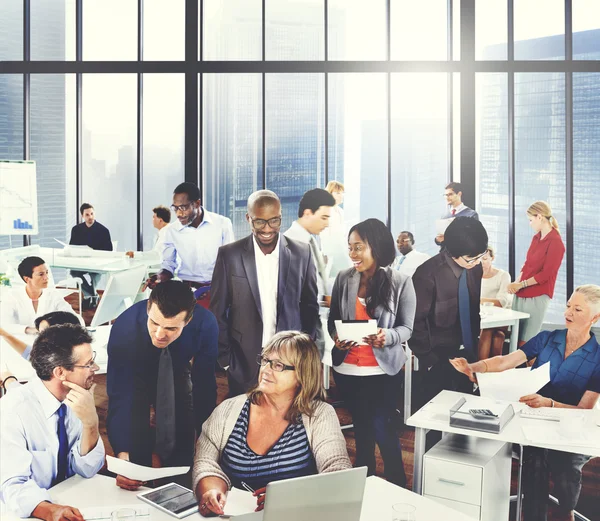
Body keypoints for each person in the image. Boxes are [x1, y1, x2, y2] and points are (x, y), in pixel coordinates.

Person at [450, 284, 600, 521]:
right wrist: (473, 368)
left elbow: (584, 410)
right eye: (568, 305)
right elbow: (504, 361)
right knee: (534, 460)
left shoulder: (598, 357)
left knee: (566, 462)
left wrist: (550, 403)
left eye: (578, 309)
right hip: (534, 419)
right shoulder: (547, 338)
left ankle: (565, 510)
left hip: (571, 427)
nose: (568, 313)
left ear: (595, 317)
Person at [192, 331, 351, 517]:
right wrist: (212, 491)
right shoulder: (228, 409)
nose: (266, 369)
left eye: (278, 365)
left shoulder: (319, 415)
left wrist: (291, 497)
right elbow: (205, 461)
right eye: (265, 360)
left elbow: (338, 471)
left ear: (301, 375)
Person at [328, 218, 416, 487]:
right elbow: (333, 320)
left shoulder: (401, 281)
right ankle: (363, 486)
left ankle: (397, 486)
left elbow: (407, 328)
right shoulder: (344, 278)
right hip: (348, 369)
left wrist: (386, 336)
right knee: (362, 430)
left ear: (375, 248)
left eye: (358, 247)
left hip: (383, 369)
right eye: (350, 247)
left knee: (383, 428)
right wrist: (337, 338)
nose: (352, 254)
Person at [107, 280, 218, 490]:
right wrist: (123, 453)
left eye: (171, 328)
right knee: (134, 446)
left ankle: (178, 486)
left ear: (188, 320)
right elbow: (120, 395)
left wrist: (206, 437)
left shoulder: (205, 324)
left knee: (184, 434)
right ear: (149, 307)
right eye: (154, 323)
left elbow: (204, 383)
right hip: (137, 370)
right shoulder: (124, 328)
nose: (159, 334)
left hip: (176, 368)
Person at [210, 190, 319, 397]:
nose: (267, 229)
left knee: (288, 421)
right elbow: (218, 311)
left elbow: (309, 305)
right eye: (259, 222)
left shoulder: (301, 252)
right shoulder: (229, 255)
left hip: (290, 361)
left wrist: (304, 351)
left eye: (274, 221)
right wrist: (226, 360)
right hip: (243, 361)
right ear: (248, 218)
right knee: (245, 422)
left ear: (281, 217)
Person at [0, 324, 104, 520]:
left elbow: (87, 469)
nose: (95, 368)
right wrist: (51, 511)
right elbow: (11, 485)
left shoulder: (76, 402)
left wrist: (91, 424)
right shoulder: (12, 412)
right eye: (88, 364)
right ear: (60, 372)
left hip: (70, 501)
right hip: (26, 514)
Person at [411, 217, 488, 417]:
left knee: (464, 415)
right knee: (438, 419)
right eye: (471, 258)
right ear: (453, 251)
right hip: (438, 356)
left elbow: (472, 308)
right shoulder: (427, 274)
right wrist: (430, 359)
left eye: (481, 256)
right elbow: (415, 322)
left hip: (468, 352)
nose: (477, 262)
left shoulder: (475, 268)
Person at [152, 182, 234, 309]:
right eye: (175, 208)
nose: (179, 213)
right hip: (187, 293)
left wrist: (219, 290)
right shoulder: (171, 231)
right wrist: (159, 277)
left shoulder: (222, 224)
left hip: (217, 292)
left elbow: (230, 264)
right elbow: (168, 265)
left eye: (183, 207)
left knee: (217, 328)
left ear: (197, 203)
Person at [508, 201, 565, 347]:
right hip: (521, 293)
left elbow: (546, 274)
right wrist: (516, 283)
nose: (530, 224)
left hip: (537, 295)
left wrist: (522, 284)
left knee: (525, 342)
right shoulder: (536, 238)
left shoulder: (556, 242)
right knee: (514, 338)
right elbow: (527, 264)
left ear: (539, 217)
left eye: (531, 220)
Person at [0, 256, 82, 335]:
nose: (46, 277)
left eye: (47, 273)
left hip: (48, 344)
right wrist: (29, 330)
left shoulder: (53, 295)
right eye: (41, 274)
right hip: (19, 344)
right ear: (27, 279)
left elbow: (75, 319)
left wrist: (50, 323)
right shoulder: (12, 296)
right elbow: (3, 326)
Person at [284, 188, 336, 297]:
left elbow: (317, 282)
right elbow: (294, 293)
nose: (327, 224)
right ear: (307, 213)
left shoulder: (310, 240)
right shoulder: (290, 244)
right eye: (324, 218)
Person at [69, 203, 113, 309]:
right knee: (74, 272)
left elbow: (109, 251)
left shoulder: (103, 230)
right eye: (87, 215)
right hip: (81, 262)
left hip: (98, 264)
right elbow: (72, 247)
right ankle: (93, 295)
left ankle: (88, 297)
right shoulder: (76, 229)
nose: (90, 217)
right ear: (82, 216)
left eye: (92, 214)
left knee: (92, 277)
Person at [0, 311, 81, 361]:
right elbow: (30, 354)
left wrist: (8, 379)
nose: (39, 339)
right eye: (39, 333)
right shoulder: (61, 354)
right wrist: (4, 334)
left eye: (44, 334)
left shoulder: (66, 366)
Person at [478, 246, 513, 359]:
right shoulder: (471, 276)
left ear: (492, 258)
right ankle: (491, 373)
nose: (481, 262)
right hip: (482, 318)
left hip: (501, 319)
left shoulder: (503, 275)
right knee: (498, 337)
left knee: (488, 330)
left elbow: (501, 302)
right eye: (477, 259)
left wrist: (478, 300)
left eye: (484, 259)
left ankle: (479, 372)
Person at [320, 181, 351, 280]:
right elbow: (324, 234)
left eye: (342, 193)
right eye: (338, 193)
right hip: (332, 252)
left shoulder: (341, 212)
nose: (341, 196)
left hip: (342, 250)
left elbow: (343, 234)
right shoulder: (325, 211)